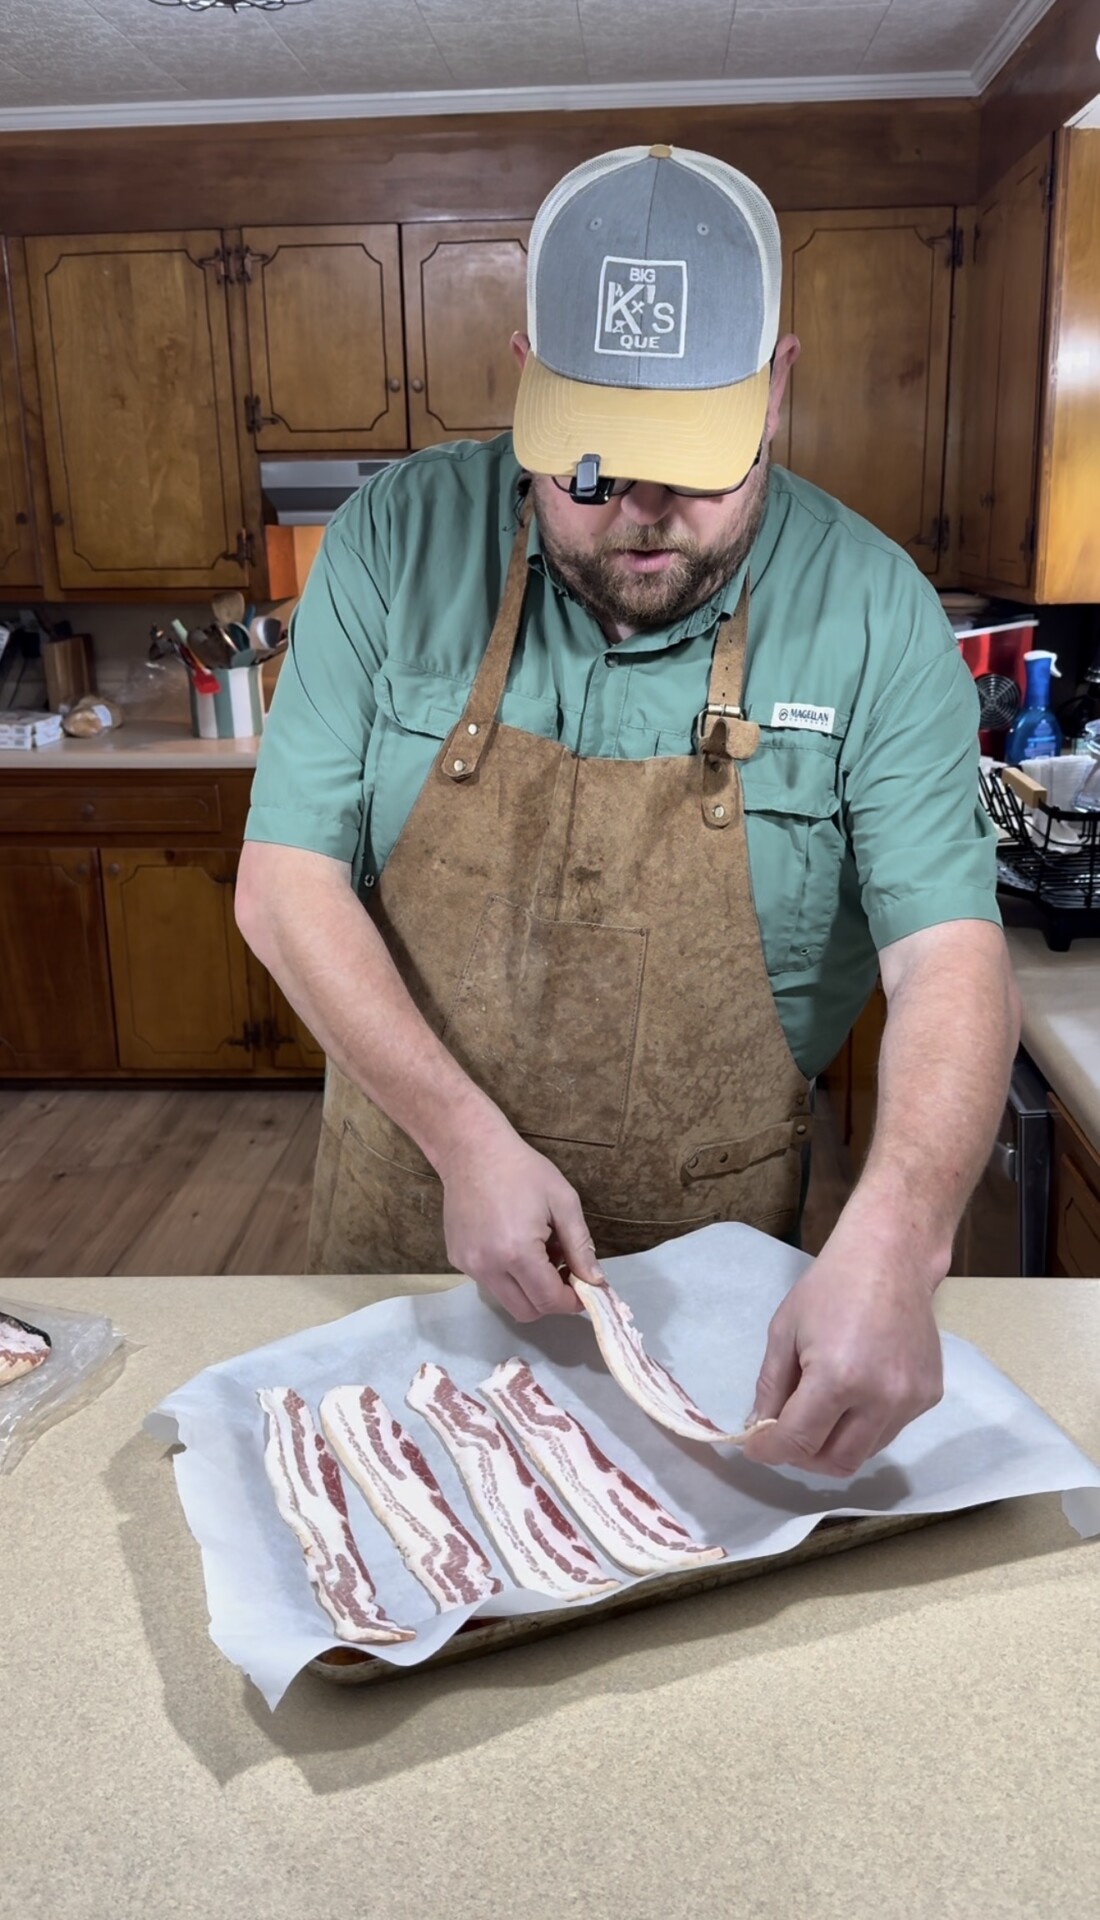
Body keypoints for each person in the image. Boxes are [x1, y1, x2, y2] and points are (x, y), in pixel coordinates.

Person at [236, 143, 1020, 1479]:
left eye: (695, 470)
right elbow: (284, 881)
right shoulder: (393, 542)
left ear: (775, 387)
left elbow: (949, 953)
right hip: (407, 1220)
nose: (643, 519)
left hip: (711, 1283)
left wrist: (904, 1226)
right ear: (531, 371)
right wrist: (467, 1140)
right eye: (596, 472)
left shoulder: (876, 614)